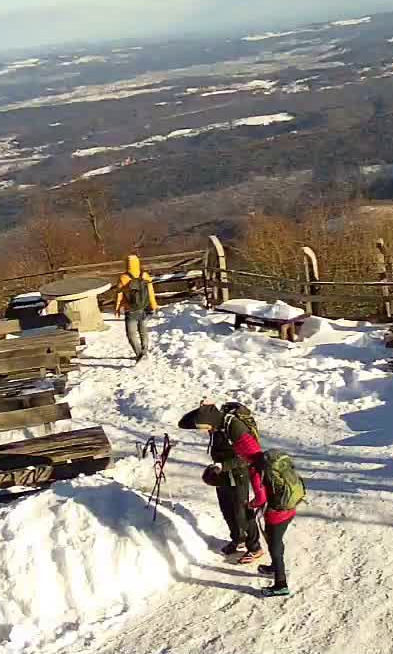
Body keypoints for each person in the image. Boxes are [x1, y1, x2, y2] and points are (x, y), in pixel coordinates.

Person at [176, 401, 263, 564]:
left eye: (204, 427)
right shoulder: (214, 422)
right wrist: (202, 409)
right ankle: (238, 539)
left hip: (238, 473)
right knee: (227, 509)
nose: (204, 431)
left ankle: (255, 546)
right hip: (221, 472)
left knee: (242, 512)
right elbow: (183, 423)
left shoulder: (235, 427)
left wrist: (224, 466)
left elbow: (251, 456)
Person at [245, 447, 304, 598]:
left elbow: (261, 499)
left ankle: (281, 585)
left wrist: (250, 505)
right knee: (276, 542)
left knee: (274, 546)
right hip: (290, 508)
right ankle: (274, 567)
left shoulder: (256, 470)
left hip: (276, 515)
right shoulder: (271, 462)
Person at [113, 254, 158, 361]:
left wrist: (117, 308)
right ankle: (144, 351)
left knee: (131, 334)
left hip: (130, 310)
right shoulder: (145, 276)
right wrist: (154, 305)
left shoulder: (123, 278)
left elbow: (119, 295)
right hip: (143, 308)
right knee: (143, 331)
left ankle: (139, 354)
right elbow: (151, 292)